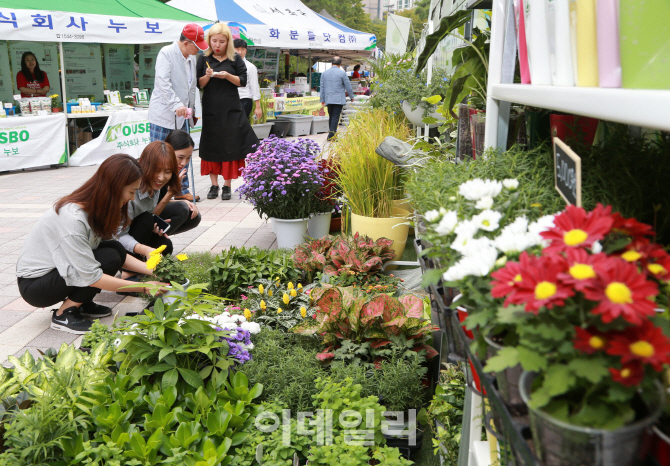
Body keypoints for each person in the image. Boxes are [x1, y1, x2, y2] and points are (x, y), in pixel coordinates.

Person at [16, 155, 167, 334]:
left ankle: (82, 303)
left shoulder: (96, 209)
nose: (132, 198)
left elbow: (117, 255)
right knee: (108, 258)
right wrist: (143, 287)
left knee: (115, 250)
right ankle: (64, 314)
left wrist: (153, 270)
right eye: (131, 191)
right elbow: (93, 276)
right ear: (115, 188)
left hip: (59, 272)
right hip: (37, 285)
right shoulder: (73, 219)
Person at [117, 141, 201, 276]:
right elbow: (118, 235)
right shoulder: (131, 189)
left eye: (167, 172)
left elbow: (151, 214)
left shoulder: (155, 185)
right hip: (115, 242)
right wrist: (144, 247)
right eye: (157, 171)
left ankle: (140, 264)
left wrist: (153, 227)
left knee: (166, 246)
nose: (161, 177)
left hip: (132, 232)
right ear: (145, 166)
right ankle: (128, 273)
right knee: (146, 220)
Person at [197, 23, 259, 201]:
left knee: (230, 146)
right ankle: (214, 184)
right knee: (211, 145)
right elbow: (198, 84)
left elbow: (243, 81)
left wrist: (227, 76)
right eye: (214, 41)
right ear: (209, 41)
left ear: (228, 42)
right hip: (210, 108)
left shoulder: (235, 59)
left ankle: (227, 185)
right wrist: (208, 76)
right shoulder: (203, 58)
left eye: (222, 41)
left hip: (231, 108)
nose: (217, 45)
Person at [148, 23, 207, 203]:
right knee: (160, 155)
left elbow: (191, 87)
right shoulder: (166, 53)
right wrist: (176, 105)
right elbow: (162, 83)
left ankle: (181, 189)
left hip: (183, 116)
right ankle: (155, 192)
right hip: (164, 115)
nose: (199, 49)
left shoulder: (191, 58)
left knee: (183, 154)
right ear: (186, 42)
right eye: (196, 45)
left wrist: (192, 111)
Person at [320, 56, 354, 141]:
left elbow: (322, 87)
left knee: (331, 116)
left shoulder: (324, 73)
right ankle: (331, 135)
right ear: (340, 64)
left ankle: (332, 133)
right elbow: (348, 86)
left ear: (331, 63)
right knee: (335, 116)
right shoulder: (342, 73)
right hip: (338, 99)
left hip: (328, 98)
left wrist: (322, 99)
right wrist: (351, 96)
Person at [233, 39, 262, 121]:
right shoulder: (228, 65)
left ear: (246, 51)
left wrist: (258, 107)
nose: (240, 52)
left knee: (241, 126)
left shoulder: (250, 67)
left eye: (242, 49)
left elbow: (254, 87)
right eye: (237, 49)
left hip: (244, 99)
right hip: (230, 100)